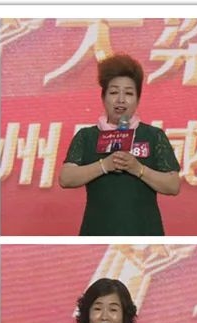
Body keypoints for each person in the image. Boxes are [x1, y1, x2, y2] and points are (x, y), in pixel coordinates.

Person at [58, 53, 181, 236]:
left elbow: (173, 185)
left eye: (129, 93)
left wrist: (137, 168)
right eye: (114, 92)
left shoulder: (153, 136)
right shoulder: (87, 136)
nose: (121, 100)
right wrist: (104, 165)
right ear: (103, 97)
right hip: (97, 232)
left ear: (138, 99)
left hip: (144, 233)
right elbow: (66, 178)